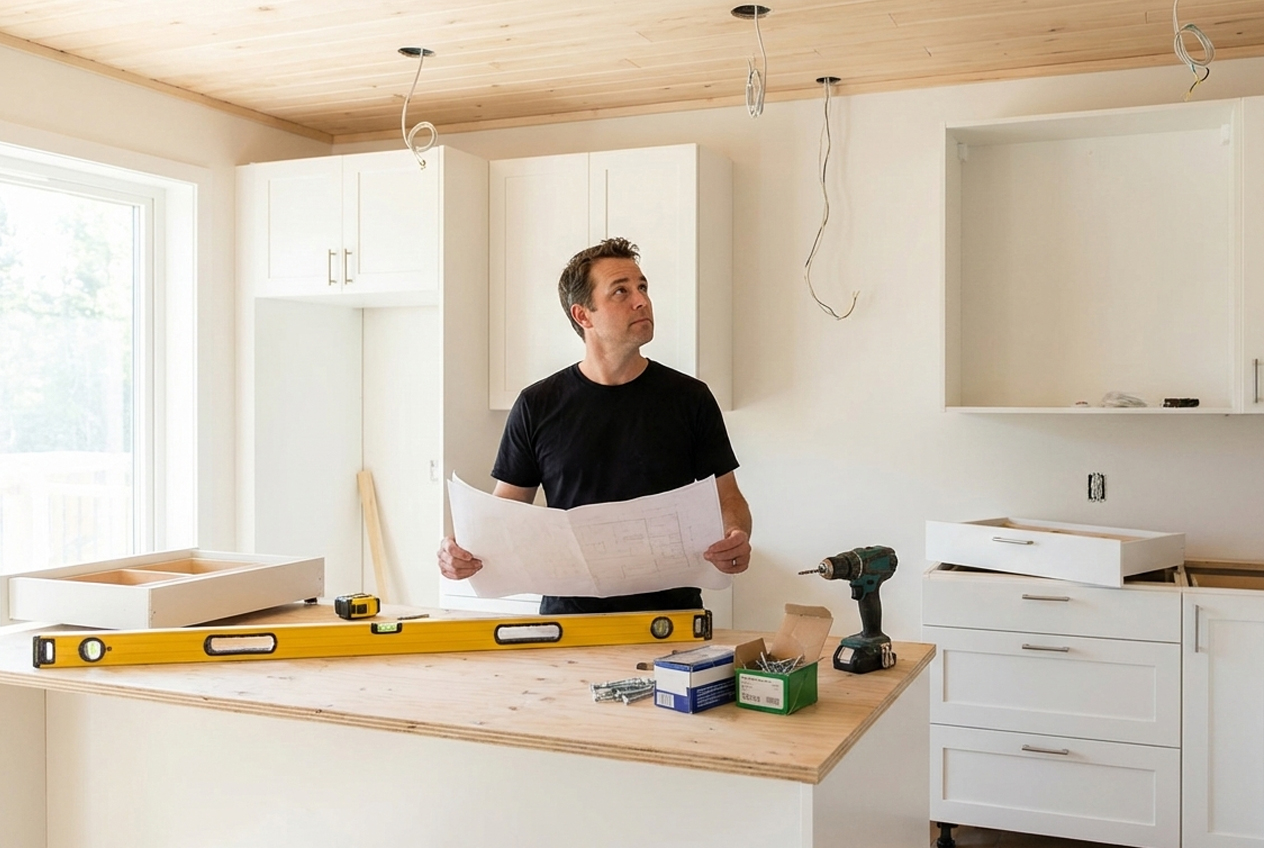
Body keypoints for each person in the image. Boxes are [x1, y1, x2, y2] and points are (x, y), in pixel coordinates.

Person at [437, 237, 751, 614]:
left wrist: (737, 535)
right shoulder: (537, 404)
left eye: (642, 287)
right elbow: (506, 514)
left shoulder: (690, 398)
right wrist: (460, 550)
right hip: (569, 622)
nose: (641, 300)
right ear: (583, 315)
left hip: (670, 619)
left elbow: (727, 497)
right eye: (620, 291)